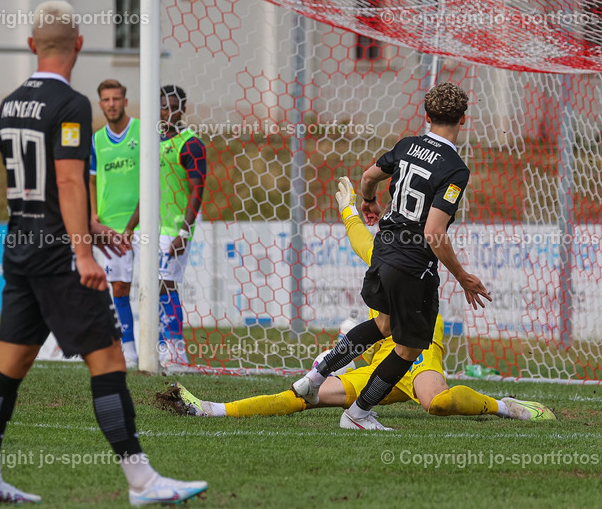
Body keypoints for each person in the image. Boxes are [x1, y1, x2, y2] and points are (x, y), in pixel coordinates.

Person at [0, 0, 206, 506]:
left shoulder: (9, 103)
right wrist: (83, 252)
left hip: (22, 246)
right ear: (79, 44)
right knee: (109, 362)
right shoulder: (72, 104)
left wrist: (92, 228)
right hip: (59, 256)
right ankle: (142, 483)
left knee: (5, 370)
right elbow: (70, 180)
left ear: (32, 45)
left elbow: (35, 188)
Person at [161, 177, 554, 422]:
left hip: (416, 357)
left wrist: (352, 205)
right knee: (303, 397)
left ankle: (509, 407)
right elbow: (359, 236)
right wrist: (349, 206)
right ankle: (211, 409)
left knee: (437, 404)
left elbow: (363, 234)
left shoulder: (417, 253)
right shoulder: (384, 249)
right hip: (378, 364)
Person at [291, 82, 492, 431]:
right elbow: (433, 232)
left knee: (383, 325)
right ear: (463, 119)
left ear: (427, 116)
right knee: (409, 349)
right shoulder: (455, 168)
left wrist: (367, 200)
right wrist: (462, 276)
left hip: (383, 248)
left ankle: (315, 375)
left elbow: (369, 177)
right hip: (413, 264)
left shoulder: (406, 145)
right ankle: (358, 414)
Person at [126, 85, 206, 367]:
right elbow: (146, 192)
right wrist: (129, 228)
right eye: (163, 107)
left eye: (174, 106)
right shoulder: (152, 142)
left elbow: (197, 190)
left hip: (174, 230)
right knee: (153, 285)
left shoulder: (190, 143)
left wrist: (184, 232)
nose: (168, 112)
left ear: (182, 109)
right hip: (150, 229)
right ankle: (161, 347)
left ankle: (176, 352)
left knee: (165, 285)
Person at [89, 79, 140, 368]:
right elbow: (92, 178)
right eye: (106, 99)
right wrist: (94, 214)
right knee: (119, 288)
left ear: (125, 101)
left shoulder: (142, 131)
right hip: (111, 227)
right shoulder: (96, 140)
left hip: (144, 224)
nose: (111, 104)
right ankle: (129, 352)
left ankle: (167, 347)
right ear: (101, 104)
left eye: (116, 98)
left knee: (155, 287)